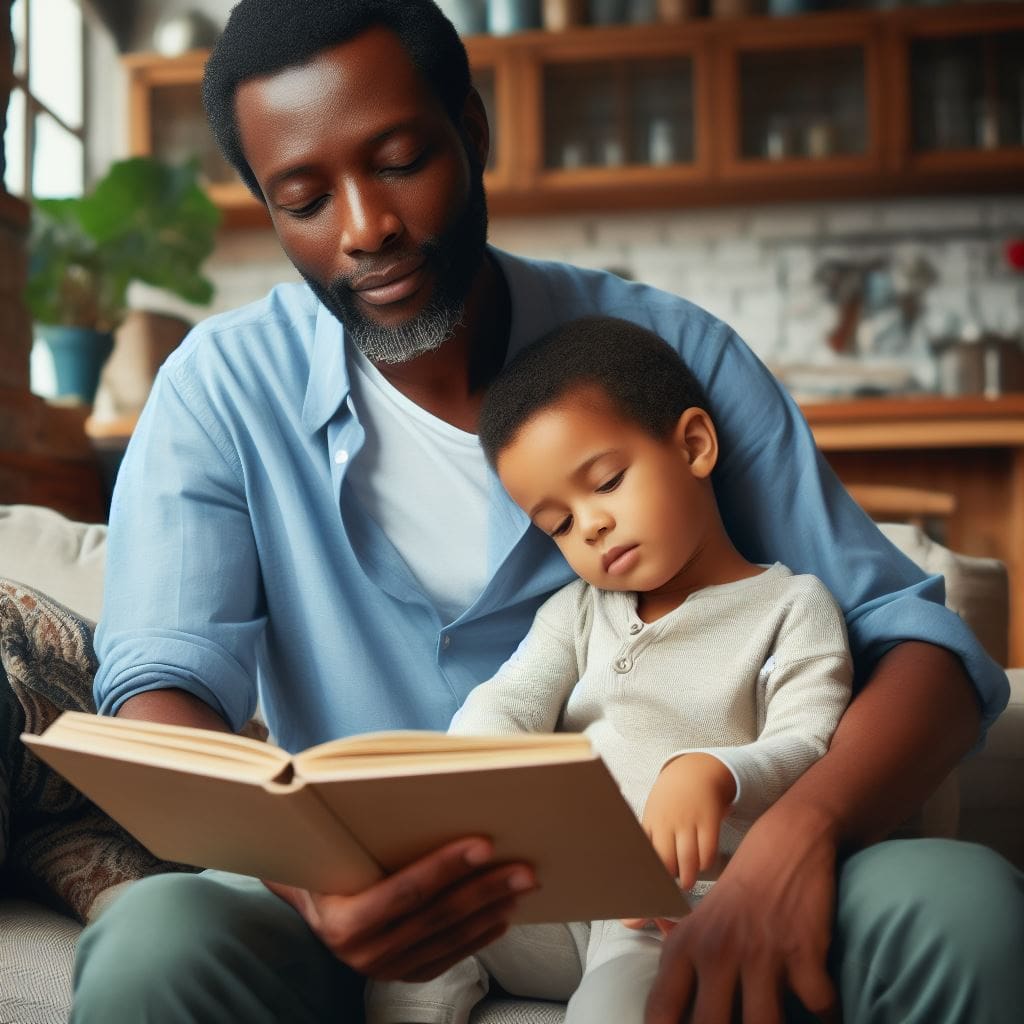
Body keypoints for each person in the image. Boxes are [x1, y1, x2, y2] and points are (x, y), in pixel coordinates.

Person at [71, 1, 1023, 1022]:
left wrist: (802, 833)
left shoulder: (666, 357)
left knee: (963, 908)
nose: (364, 229)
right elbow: (159, 694)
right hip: (356, 921)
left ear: (471, 133)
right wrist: (315, 886)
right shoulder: (219, 390)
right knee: (153, 944)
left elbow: (916, 647)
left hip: (703, 884)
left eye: (398, 160)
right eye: (303, 198)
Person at [365, 315, 854, 1024]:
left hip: (671, 905)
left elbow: (810, 741)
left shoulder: (789, 606)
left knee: (616, 1003)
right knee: (428, 938)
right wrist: (465, 771)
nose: (589, 527)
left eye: (608, 482)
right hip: (562, 892)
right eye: (558, 524)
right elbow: (509, 698)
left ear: (693, 445)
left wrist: (716, 771)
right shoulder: (579, 610)